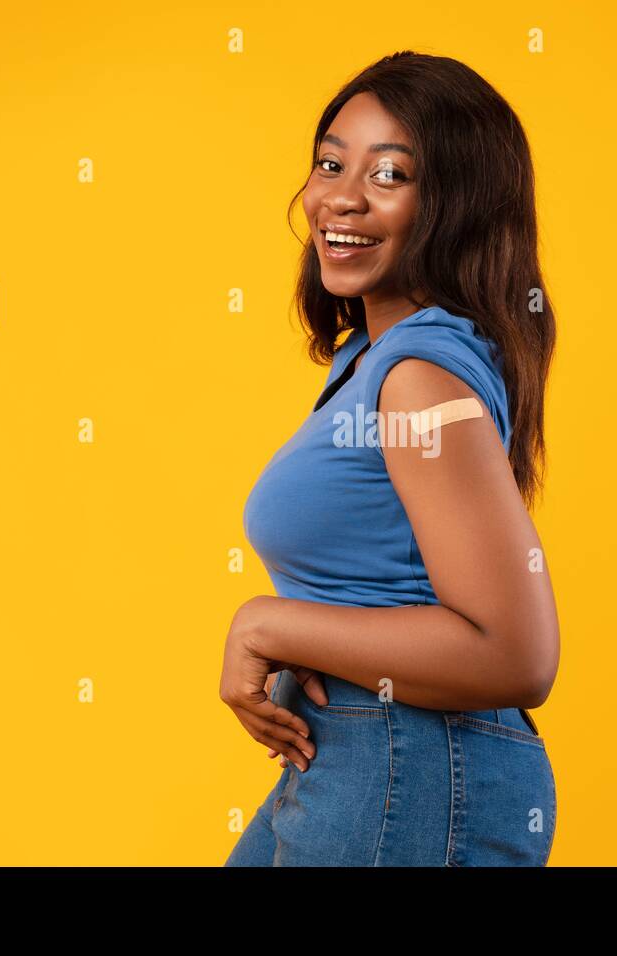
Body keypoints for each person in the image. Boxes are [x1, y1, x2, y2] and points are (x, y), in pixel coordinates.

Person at [221, 51, 559, 866]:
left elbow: (516, 654)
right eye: (331, 162)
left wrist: (265, 623)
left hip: (407, 770)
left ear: (455, 208)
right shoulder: (371, 361)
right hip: (369, 763)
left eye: (391, 174)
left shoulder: (418, 377)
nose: (341, 196)